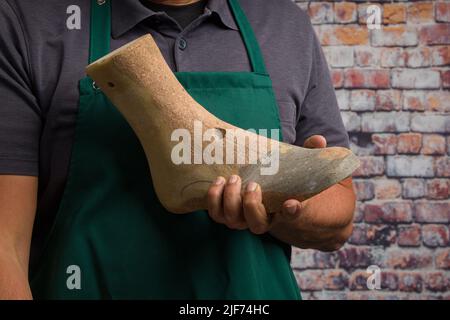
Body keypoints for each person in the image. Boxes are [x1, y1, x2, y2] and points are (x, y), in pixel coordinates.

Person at [0, 0, 355, 299]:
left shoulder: (284, 24)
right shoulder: (27, 21)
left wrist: (279, 205)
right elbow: (5, 246)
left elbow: (338, 217)